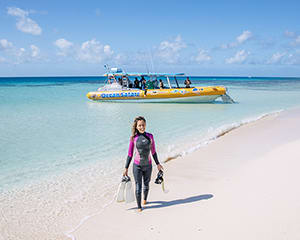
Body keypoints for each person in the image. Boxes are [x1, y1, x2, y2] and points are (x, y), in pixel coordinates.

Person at [123, 116, 163, 212]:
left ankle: (145, 199)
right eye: (140, 125)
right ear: (136, 127)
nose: (142, 127)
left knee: (146, 184)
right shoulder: (134, 138)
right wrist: (126, 168)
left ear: (145, 125)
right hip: (137, 166)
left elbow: (153, 151)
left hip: (148, 165)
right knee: (138, 186)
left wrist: (157, 163)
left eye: (143, 125)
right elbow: (129, 154)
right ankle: (139, 207)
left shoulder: (150, 136)